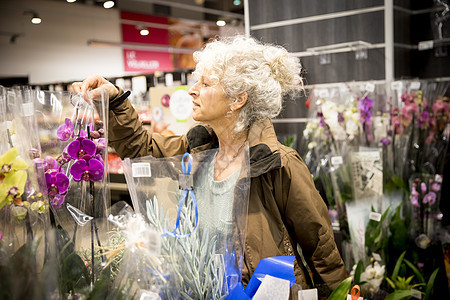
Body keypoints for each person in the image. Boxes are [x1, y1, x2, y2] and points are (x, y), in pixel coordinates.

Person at [72, 35, 347, 296]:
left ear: (238, 98)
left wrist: (339, 295)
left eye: (205, 84)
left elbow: (321, 250)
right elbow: (139, 147)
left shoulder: (278, 165)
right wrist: (115, 100)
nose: (192, 91)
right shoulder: (197, 152)